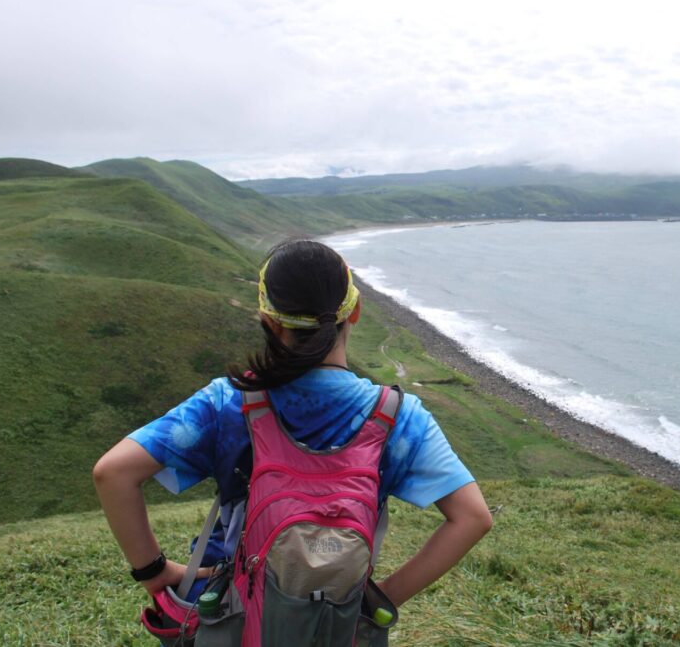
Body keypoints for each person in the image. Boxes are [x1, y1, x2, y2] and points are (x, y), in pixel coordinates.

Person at [93, 237, 492, 614]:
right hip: (335, 616)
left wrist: (154, 572)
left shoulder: (229, 402)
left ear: (268, 319)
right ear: (355, 311)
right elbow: (473, 518)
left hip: (231, 610)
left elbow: (113, 473)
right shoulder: (397, 416)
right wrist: (379, 600)